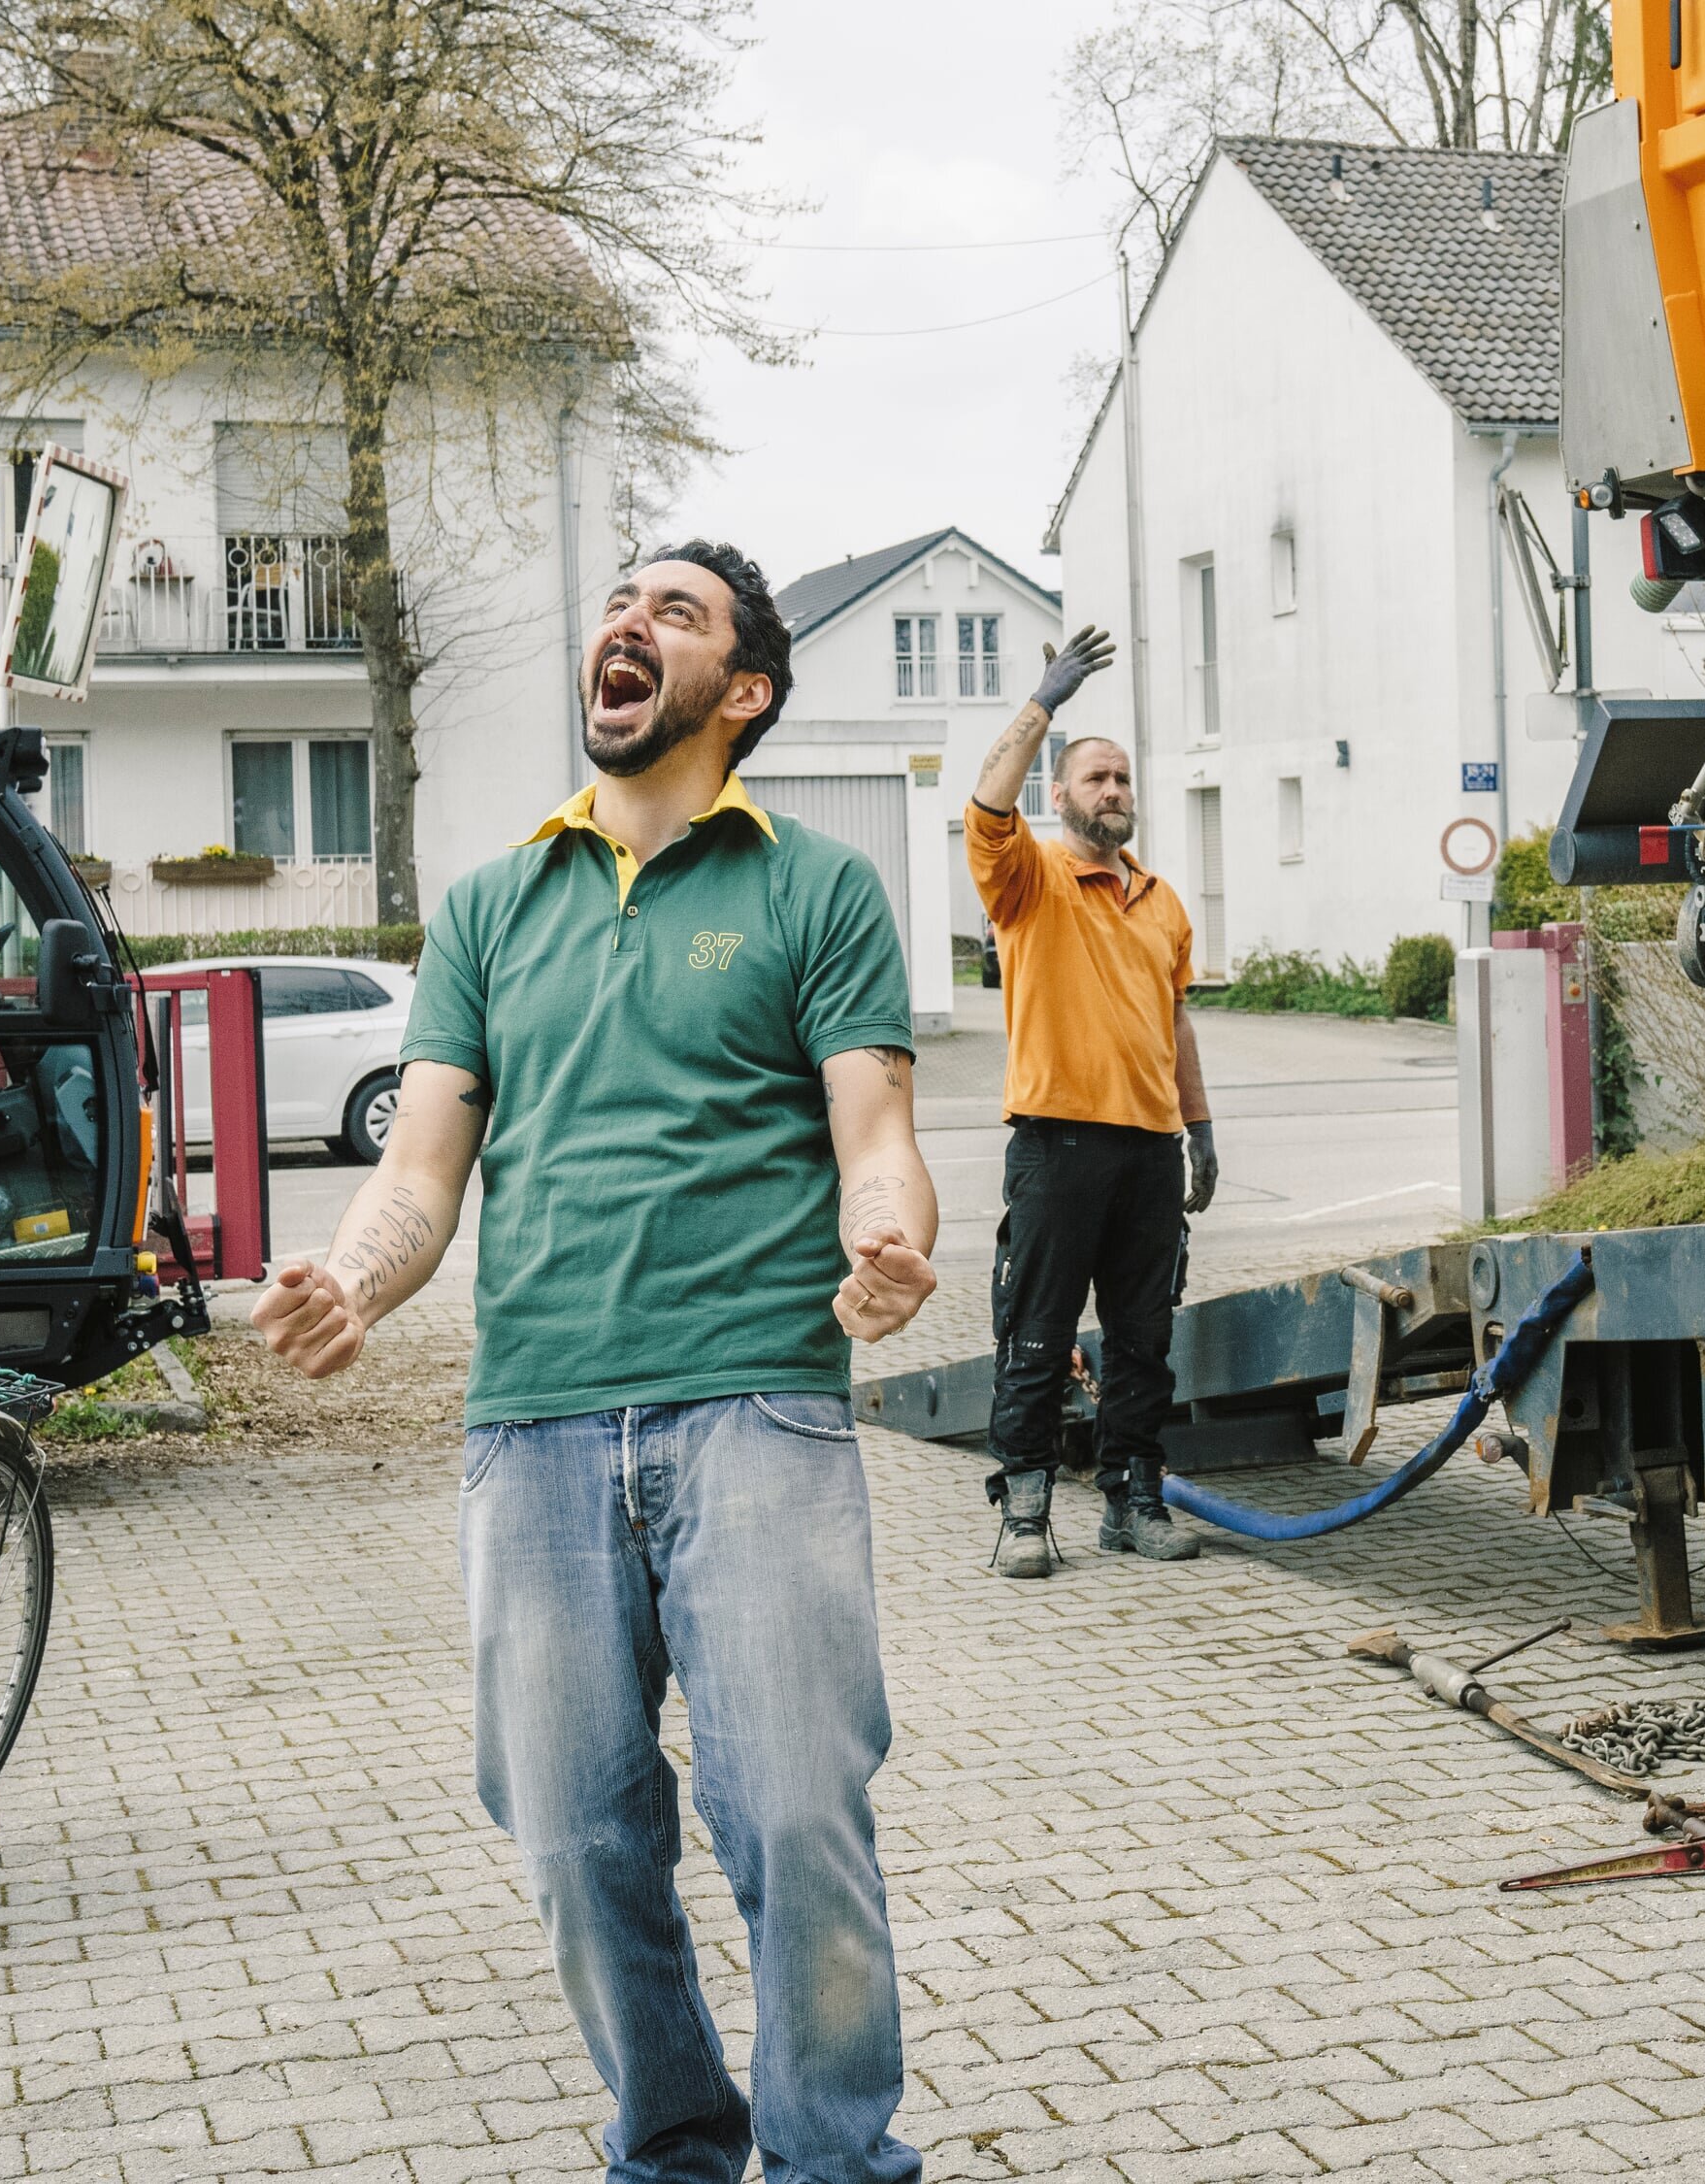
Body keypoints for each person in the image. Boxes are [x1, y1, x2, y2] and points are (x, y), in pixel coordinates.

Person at [253, 541, 936, 2184]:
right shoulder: (493, 906)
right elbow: (421, 1176)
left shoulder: (815, 888)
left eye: (676, 612)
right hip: (534, 1428)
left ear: (742, 690)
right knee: (569, 1836)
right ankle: (675, 2144)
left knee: (791, 1817)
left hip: (755, 1405)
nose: (625, 622)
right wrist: (353, 1282)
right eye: (617, 601)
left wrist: (891, 1237)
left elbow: (879, 1128)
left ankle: (838, 2161)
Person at [964, 627, 1218, 1578]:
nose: (1112, 791)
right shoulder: (1026, 879)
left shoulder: (1162, 902)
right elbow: (986, 802)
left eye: (1122, 779)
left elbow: (1178, 1025)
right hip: (1056, 1145)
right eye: (1094, 779)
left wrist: (1198, 1130)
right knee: (1035, 1335)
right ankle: (1025, 1512)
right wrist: (1045, 704)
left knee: (1145, 1344)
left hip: (1149, 1150)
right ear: (1061, 795)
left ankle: (1133, 1501)